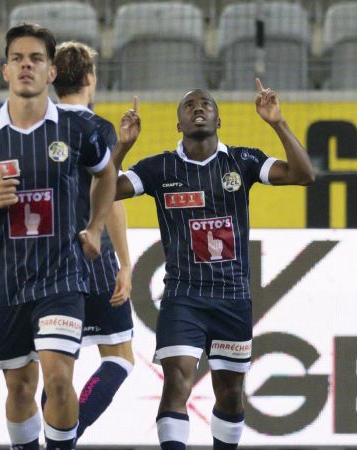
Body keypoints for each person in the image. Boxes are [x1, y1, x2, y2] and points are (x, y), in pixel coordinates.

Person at [112, 79, 314, 449]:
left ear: (219, 121)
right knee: (177, 382)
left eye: (205, 104)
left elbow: (304, 175)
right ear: (179, 124)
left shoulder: (244, 160)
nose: (198, 108)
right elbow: (104, 192)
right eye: (189, 105)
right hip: (182, 297)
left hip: (233, 297)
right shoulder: (159, 168)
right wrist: (121, 148)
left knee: (230, 393)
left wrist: (277, 122)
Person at [0, 23, 117, 450]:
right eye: (18, 58)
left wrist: (96, 227)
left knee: (59, 379)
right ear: (5, 70)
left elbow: (107, 174)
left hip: (62, 277)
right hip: (6, 282)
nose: (27, 65)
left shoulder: (78, 131)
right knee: (20, 388)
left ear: (52, 72)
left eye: (36, 59)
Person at [51, 41, 135, 439]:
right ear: (89, 78)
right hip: (92, 255)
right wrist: (125, 262)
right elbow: (111, 199)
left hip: (44, 262)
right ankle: (65, 436)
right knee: (119, 357)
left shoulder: (34, 128)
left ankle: (49, 436)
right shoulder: (96, 128)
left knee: (56, 367)